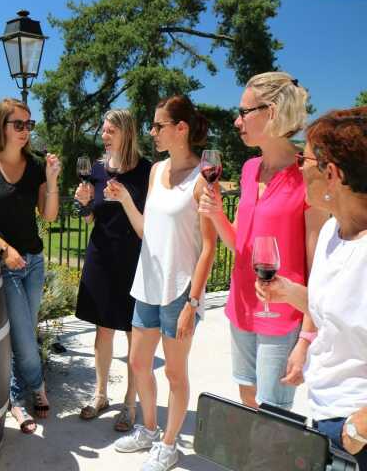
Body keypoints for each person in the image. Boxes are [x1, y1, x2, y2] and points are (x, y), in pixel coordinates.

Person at [198, 72, 327, 411]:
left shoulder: (306, 176)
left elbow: (318, 270)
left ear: (270, 112)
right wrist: (214, 215)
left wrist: (306, 338)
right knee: (247, 398)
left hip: (282, 315)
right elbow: (240, 246)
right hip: (241, 306)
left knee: (273, 414)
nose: (237, 121)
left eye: (243, 112)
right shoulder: (250, 168)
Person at [255, 106, 367, 468]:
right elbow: (338, 312)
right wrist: (289, 292)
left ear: (331, 173)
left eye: (305, 158)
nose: (298, 166)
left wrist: (358, 430)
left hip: (355, 430)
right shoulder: (333, 232)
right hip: (325, 415)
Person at [113, 95, 217, 471]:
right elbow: (148, 232)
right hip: (148, 286)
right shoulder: (156, 171)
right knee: (139, 363)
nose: (152, 132)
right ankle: (150, 429)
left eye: (158, 126)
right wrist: (125, 199)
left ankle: (169, 444)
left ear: (181, 129)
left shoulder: (201, 181)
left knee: (175, 373)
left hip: (180, 292)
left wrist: (193, 303)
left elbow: (209, 248)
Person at [0, 98, 61, 434]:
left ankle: (18, 392)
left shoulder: (35, 165)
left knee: (23, 332)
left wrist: (51, 180)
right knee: (22, 334)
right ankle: (27, 394)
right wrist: (5, 250)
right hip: (1, 264)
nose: (25, 130)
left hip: (33, 262)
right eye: (18, 124)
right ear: (2, 126)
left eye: (28, 124)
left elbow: (48, 215)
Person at [74, 109, 150, 432]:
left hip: (133, 260)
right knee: (102, 329)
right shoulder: (97, 169)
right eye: (103, 130)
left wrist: (124, 201)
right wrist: (84, 206)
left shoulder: (148, 171)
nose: (104, 136)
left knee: (134, 333)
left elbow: (149, 222)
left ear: (126, 133)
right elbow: (93, 217)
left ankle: (130, 404)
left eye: (110, 131)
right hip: (101, 256)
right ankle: (101, 394)